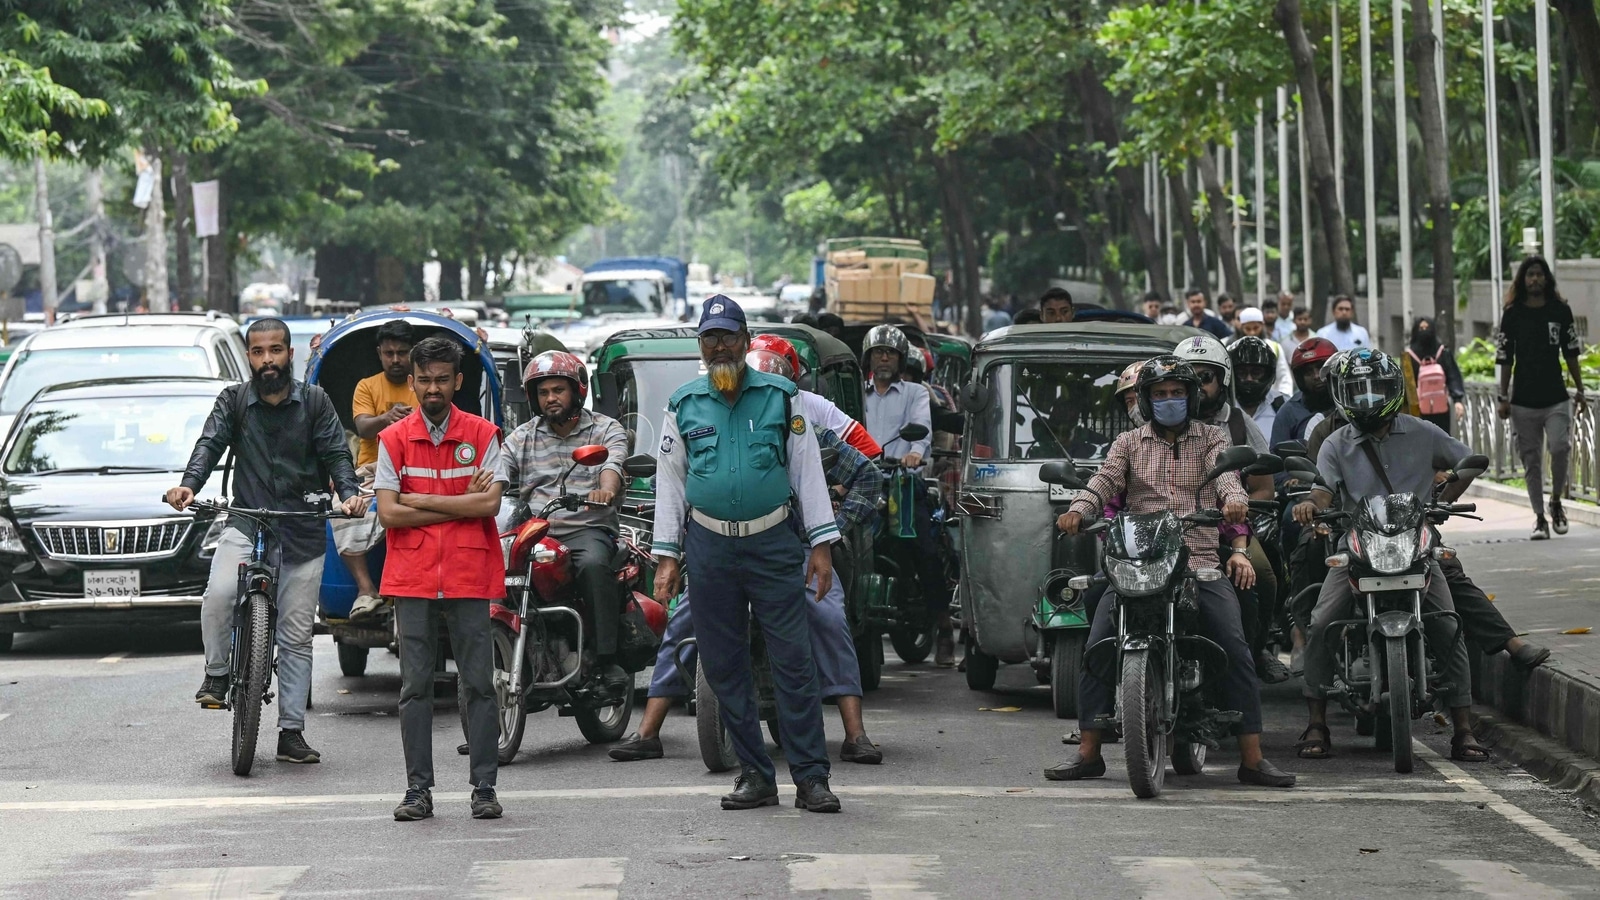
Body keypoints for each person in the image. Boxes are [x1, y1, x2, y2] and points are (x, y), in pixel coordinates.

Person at [611, 347, 886, 765]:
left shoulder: (803, 422)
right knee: (684, 616)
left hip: (792, 546)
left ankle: (855, 732)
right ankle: (649, 729)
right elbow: (676, 480)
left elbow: (859, 476)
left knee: (827, 614)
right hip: (721, 546)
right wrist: (669, 553)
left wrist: (831, 534)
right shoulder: (695, 413)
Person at [1044, 356, 1295, 788]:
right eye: (1159, 395)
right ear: (1145, 400)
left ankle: (1252, 758)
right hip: (1134, 559)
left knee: (1234, 645)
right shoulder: (1128, 442)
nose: (1169, 401)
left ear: (1192, 396)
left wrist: (1233, 501)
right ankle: (1089, 752)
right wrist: (1078, 510)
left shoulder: (1212, 438)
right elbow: (1102, 482)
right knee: (1098, 640)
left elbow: (1229, 481)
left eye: (1177, 393)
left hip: (1197, 560)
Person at [650, 294, 843, 813]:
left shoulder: (782, 396)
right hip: (709, 547)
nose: (719, 347)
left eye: (728, 337)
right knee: (722, 664)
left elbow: (807, 474)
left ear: (745, 341)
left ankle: (811, 778)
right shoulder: (684, 403)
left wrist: (821, 546)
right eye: (710, 338)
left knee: (794, 661)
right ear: (701, 346)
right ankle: (756, 776)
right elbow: (670, 482)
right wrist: (667, 558)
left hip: (774, 543)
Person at [166, 318, 365, 764]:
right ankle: (218, 674)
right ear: (250, 357)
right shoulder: (234, 400)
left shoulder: (315, 402)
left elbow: (337, 454)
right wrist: (188, 485)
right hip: (246, 522)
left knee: (295, 637)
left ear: (289, 354)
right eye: (259, 352)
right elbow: (209, 445)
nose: (268, 360)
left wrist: (349, 493)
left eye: (276, 350)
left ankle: (291, 732)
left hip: (302, 527)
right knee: (217, 595)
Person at [1290, 349, 1486, 764]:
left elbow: (1467, 462)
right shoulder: (1334, 443)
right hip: (1357, 549)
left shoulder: (1424, 432)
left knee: (1449, 626)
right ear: (1342, 395)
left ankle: (1464, 729)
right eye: (1356, 391)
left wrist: (1445, 500)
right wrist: (1312, 504)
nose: (1366, 399)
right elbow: (1323, 489)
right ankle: (1316, 721)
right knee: (1323, 621)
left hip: (1417, 549)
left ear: (1394, 390)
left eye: (1375, 389)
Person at [376, 336, 506, 821]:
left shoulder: (483, 434)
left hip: (469, 572)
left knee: (479, 684)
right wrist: (457, 505)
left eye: (442, 379)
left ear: (458, 382)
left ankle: (485, 787)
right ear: (412, 383)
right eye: (424, 380)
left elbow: (489, 505)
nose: (433, 388)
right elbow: (388, 515)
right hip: (411, 576)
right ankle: (417, 791)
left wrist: (419, 499)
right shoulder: (393, 439)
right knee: (414, 686)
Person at [498, 350, 632, 694]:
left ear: (577, 391)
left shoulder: (605, 429)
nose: (551, 398)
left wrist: (605, 489)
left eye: (558, 390)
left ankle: (606, 660)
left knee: (591, 565)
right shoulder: (522, 437)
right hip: (535, 533)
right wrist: (480, 489)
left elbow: (612, 466)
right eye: (543, 392)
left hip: (587, 529)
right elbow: (498, 471)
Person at [1174, 333, 1285, 683]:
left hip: (1227, 526)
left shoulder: (1237, 423)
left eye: (1205, 377)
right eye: (1187, 379)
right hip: (1168, 525)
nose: (1197, 387)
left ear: (1222, 380)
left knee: (1263, 575)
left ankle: (1257, 647)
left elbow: (1264, 485)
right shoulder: (1159, 424)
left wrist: (1239, 511)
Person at [861, 324, 955, 666]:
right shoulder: (857, 392)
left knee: (923, 550)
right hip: (863, 483)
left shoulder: (915, 393)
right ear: (868, 357)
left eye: (890, 352)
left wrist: (914, 452)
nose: (884, 357)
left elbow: (922, 432)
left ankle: (944, 627)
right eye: (878, 351)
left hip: (901, 482)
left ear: (900, 359)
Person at [1495, 255, 1586, 540]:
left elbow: (1571, 352)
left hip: (1556, 397)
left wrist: (1581, 389)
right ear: (1523, 280)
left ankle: (1556, 501)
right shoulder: (1512, 314)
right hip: (1522, 400)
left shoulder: (1560, 310)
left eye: (1539, 274)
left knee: (1560, 448)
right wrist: (1503, 396)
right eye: (1530, 275)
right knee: (1531, 461)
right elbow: (1505, 358)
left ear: (1546, 279)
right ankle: (1539, 519)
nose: (1534, 279)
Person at [341, 319, 416, 621]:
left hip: (415, 467)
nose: (396, 360)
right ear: (379, 353)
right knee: (342, 508)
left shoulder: (423, 384)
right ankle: (366, 590)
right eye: (389, 353)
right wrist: (387, 418)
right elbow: (362, 427)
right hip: (371, 470)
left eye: (401, 352)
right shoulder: (367, 386)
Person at [1402, 316, 1465, 433]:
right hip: (1417, 412)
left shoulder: (1443, 352)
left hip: (1441, 410)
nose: (1425, 331)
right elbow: (1405, 385)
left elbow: (1452, 376)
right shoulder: (1409, 357)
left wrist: (1458, 400)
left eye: (1427, 328)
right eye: (1421, 328)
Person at [1230, 335, 1289, 439]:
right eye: (1242, 373)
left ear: (1268, 374)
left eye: (1256, 373)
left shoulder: (1284, 406)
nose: (1249, 379)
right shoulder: (1221, 406)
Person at [1231, 307, 1294, 396]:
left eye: (1256, 328)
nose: (1252, 332)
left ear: (1262, 325)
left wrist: (1282, 399)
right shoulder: (1233, 348)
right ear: (1241, 327)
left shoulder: (1274, 347)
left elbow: (1284, 377)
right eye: (1248, 329)